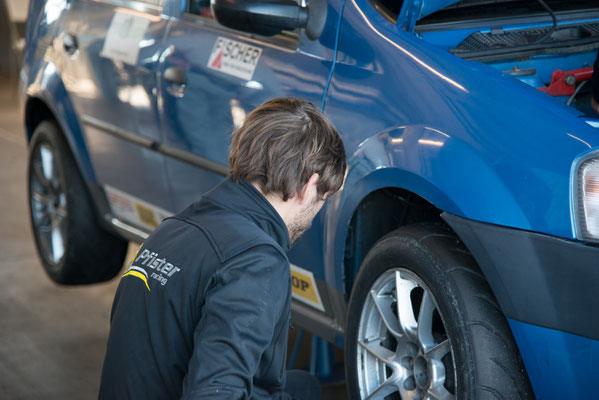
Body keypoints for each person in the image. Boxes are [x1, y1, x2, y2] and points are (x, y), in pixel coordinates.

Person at [99, 97, 347, 399]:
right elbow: (214, 393)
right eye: (322, 199)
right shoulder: (256, 260)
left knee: (303, 387)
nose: (314, 215)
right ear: (309, 186)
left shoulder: (173, 229)